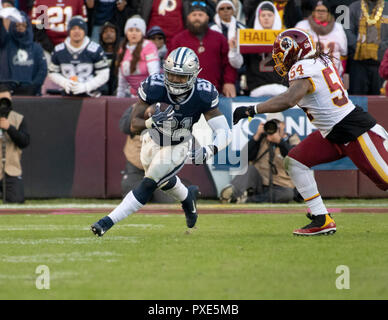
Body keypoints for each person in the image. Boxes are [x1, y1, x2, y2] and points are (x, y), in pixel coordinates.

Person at [233, 28, 388, 236]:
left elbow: (289, 99)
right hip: (332, 133)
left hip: (354, 131)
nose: (279, 60)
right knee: (295, 161)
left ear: (294, 50)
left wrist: (252, 109)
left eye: (281, 54)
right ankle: (321, 218)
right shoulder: (318, 61)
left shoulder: (303, 66)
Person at [90, 47, 232, 236]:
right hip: (152, 139)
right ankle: (187, 198)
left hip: (178, 144)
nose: (175, 80)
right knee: (163, 181)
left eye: (181, 77)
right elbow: (133, 124)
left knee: (149, 182)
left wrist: (209, 150)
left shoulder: (203, 93)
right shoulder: (155, 85)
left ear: (194, 75)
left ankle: (106, 223)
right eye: (172, 75)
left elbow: (225, 132)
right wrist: (150, 121)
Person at [220, 112, 301, 204]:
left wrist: (280, 142)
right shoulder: (261, 138)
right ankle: (231, 193)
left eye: (276, 123)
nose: (273, 127)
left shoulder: (292, 139)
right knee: (249, 169)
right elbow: (244, 157)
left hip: (281, 185)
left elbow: (297, 158)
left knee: (287, 194)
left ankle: (246, 200)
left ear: (283, 125)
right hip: (259, 182)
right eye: (270, 123)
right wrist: (256, 137)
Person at [170, 1, 237, 97]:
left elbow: (228, 63)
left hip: (214, 91)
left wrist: (229, 82)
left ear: (207, 18)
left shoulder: (219, 38)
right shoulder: (178, 40)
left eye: (200, 15)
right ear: (188, 17)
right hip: (184, 93)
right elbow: (170, 66)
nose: (197, 18)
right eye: (194, 15)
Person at [119, 104, 175, 203]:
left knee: (168, 203)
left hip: (160, 171)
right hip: (136, 168)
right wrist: (139, 112)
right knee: (132, 201)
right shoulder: (137, 107)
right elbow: (124, 126)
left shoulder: (169, 107)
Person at [48, 16, 109, 97]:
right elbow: (52, 72)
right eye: (73, 28)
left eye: (80, 28)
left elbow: (104, 74)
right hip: (67, 95)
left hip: (91, 95)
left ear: (85, 31)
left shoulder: (95, 49)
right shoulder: (59, 50)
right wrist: (64, 82)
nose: (76, 31)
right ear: (69, 31)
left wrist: (87, 86)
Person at [244, 1, 287, 97]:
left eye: (269, 15)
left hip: (282, 88)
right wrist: (234, 49)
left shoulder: (286, 37)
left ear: (275, 17)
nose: (266, 18)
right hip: (257, 88)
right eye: (263, 15)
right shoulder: (247, 38)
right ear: (258, 18)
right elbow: (238, 63)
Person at [345, 0, 388, 95]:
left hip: (380, 63)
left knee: (379, 101)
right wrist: (358, 47)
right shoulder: (354, 7)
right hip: (358, 62)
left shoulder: (387, 8)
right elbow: (347, 30)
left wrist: (383, 48)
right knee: (358, 98)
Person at [295, 0, 348, 77]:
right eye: (318, 10)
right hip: (309, 74)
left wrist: (340, 73)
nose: (320, 13)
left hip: (333, 74)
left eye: (323, 10)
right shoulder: (301, 26)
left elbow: (344, 53)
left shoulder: (338, 27)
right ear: (313, 12)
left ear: (328, 13)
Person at [116, 16, 160, 98]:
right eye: (131, 30)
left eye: (137, 30)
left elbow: (154, 74)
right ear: (126, 33)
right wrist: (119, 96)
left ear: (142, 33)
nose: (134, 33)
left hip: (149, 93)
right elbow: (121, 79)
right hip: (132, 94)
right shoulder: (123, 48)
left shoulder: (149, 46)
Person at [0, 84, 30, 203]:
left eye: (5, 100)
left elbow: (24, 142)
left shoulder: (18, 118)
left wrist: (9, 128)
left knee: (16, 201)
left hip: (11, 169)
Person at [99, 21, 120, 95]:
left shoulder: (121, 53)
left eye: (112, 31)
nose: (108, 34)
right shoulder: (97, 53)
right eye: (105, 32)